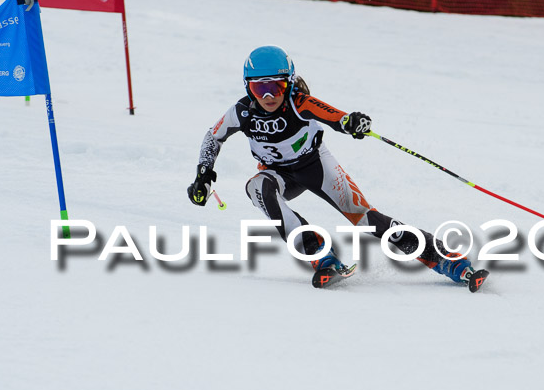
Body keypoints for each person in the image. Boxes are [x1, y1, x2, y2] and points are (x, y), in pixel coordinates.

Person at [188, 45, 478, 286]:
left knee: (366, 220)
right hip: (278, 174)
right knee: (257, 189)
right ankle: (319, 255)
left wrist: (350, 122)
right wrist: (204, 174)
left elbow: (334, 116)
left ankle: (446, 260)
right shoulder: (241, 112)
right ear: (248, 88)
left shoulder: (300, 103)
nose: (268, 96)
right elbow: (212, 137)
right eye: (260, 87)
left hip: (315, 165)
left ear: (288, 83)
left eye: (276, 87)